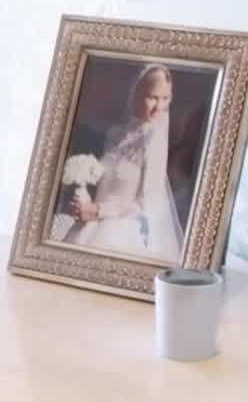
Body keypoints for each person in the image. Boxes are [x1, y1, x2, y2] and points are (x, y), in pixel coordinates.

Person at [64, 63, 187, 262]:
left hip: (121, 232)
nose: (159, 107)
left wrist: (98, 210)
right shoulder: (115, 134)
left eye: (165, 98)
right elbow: (106, 182)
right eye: (152, 97)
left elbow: (149, 202)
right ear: (137, 94)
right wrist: (83, 201)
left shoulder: (154, 139)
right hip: (90, 224)